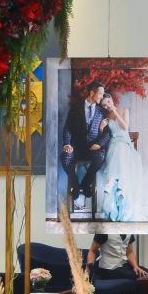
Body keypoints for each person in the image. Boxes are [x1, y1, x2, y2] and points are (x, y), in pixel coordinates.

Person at [61, 80, 111, 212]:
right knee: (65, 157)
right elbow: (68, 128)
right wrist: (67, 144)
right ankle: (76, 185)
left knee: (100, 157)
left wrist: (99, 144)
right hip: (76, 148)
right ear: (92, 93)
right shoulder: (75, 108)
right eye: (100, 94)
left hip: (93, 149)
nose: (102, 96)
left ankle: (85, 183)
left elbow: (108, 133)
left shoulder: (102, 112)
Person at [95, 94, 142, 222]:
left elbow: (125, 127)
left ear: (111, 99)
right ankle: (120, 188)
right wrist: (101, 128)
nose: (107, 106)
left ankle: (113, 182)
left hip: (124, 144)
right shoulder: (106, 117)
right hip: (113, 145)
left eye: (108, 102)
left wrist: (115, 111)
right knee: (117, 149)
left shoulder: (124, 110)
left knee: (120, 149)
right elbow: (102, 137)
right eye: (104, 105)